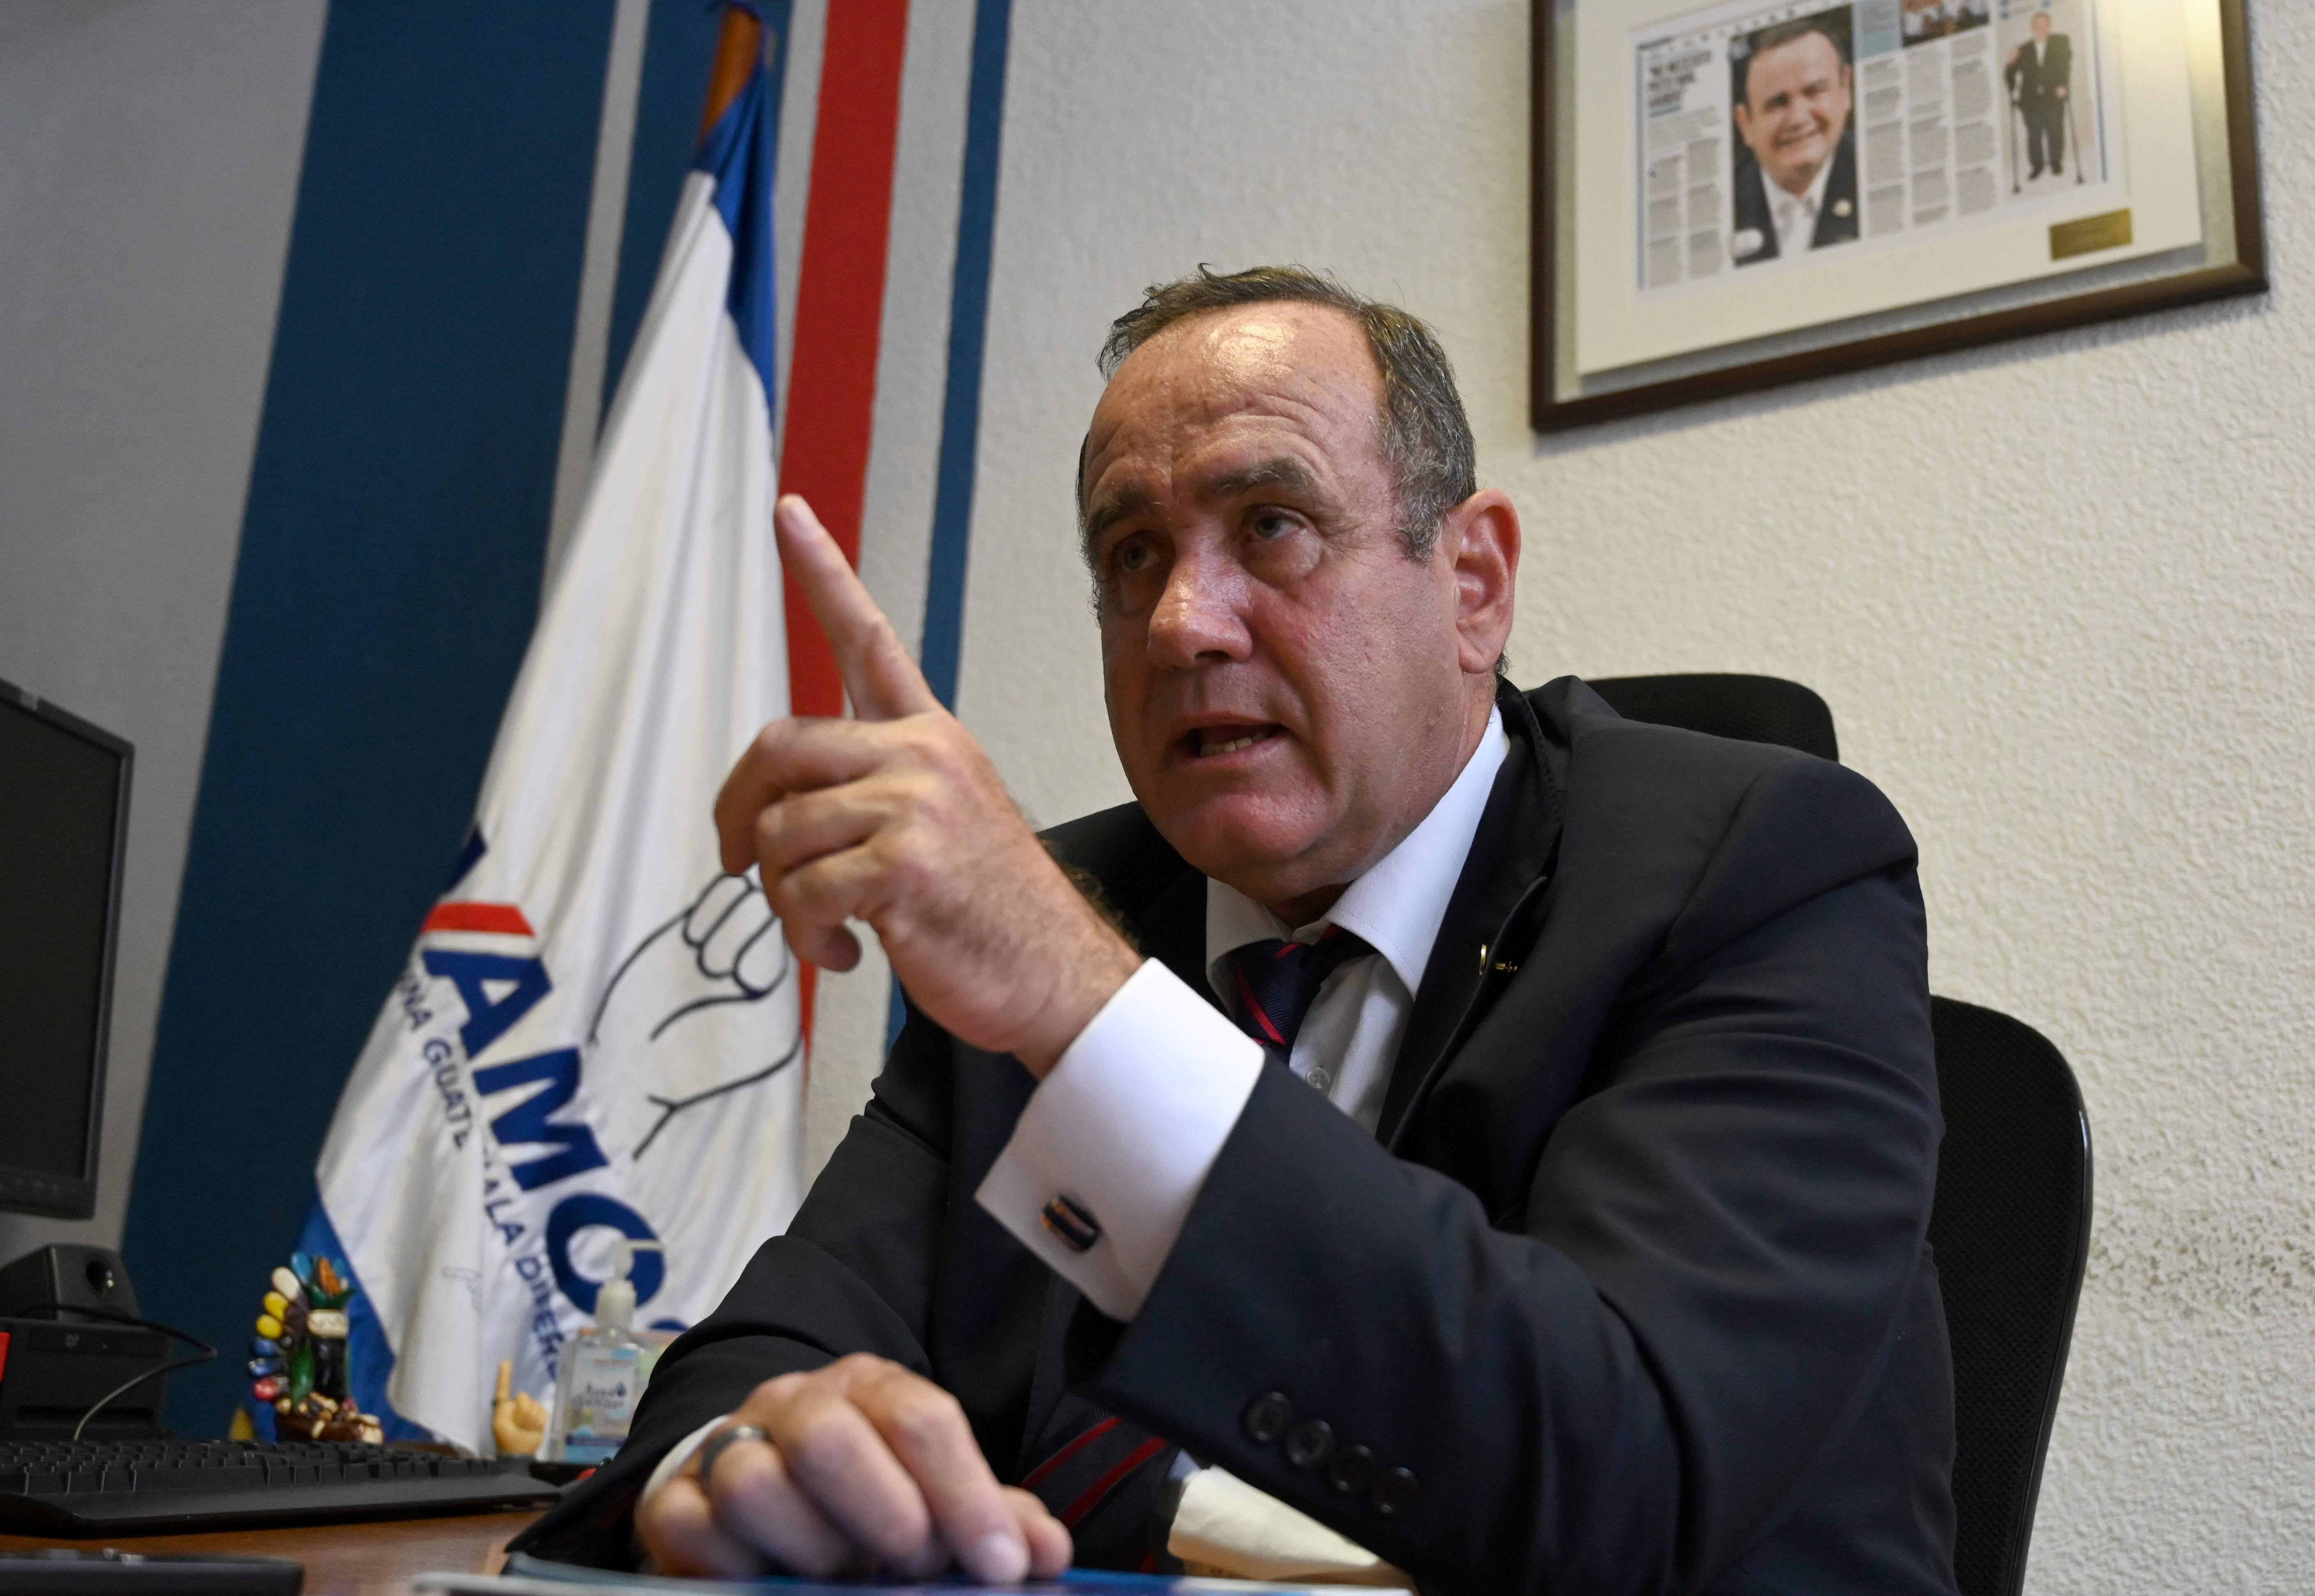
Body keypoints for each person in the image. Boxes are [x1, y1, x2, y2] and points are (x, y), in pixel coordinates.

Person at [509, 266, 1957, 1595]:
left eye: (1270, 525)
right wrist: (748, 1472)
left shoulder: (1763, 868)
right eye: (1131, 553)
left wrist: (1084, 1006)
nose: (1181, 623)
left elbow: (1617, 1485)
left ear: (1471, 587)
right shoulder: (1070, 903)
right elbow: (769, 1354)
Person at [1730, 18, 1861, 265]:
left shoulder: (1885, 173)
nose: (1798, 118)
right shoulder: (1723, 210)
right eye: (1778, 103)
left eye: (1814, 92)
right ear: (1746, 123)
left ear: (1846, 91)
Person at [2006, 12, 2074, 180]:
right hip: (2031, 102)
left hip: (2053, 98)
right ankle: (2037, 166)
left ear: (2049, 27)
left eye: (2044, 26)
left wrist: (2064, 86)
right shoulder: (2023, 50)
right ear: (2032, 29)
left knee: (2056, 132)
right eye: (2037, 27)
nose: (2041, 30)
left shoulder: (2060, 44)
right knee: (2034, 136)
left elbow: (2066, 67)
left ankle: (2056, 162)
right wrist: (2011, 63)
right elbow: (2010, 77)